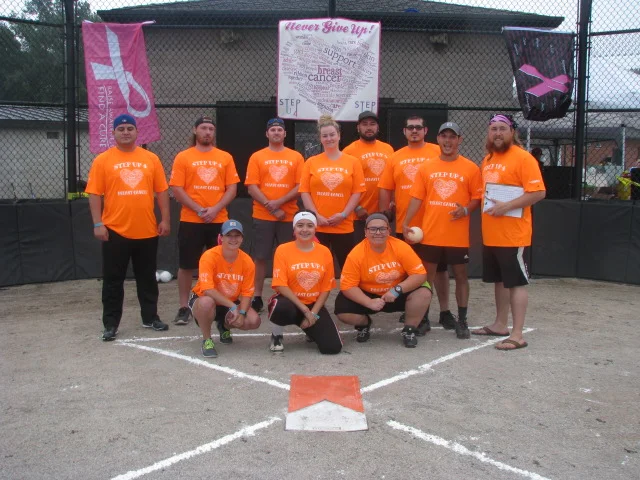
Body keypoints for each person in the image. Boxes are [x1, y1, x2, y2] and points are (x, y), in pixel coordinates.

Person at [86, 114, 171, 341]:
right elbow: (94, 193)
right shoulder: (103, 160)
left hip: (147, 230)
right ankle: (110, 324)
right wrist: (98, 223)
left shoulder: (151, 159)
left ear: (137, 132)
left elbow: (162, 191)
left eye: (130, 128)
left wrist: (165, 219)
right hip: (115, 230)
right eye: (121, 129)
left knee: (147, 278)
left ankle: (150, 317)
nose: (125, 132)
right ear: (113, 133)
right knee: (113, 280)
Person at [403, 122, 482, 339]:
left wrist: (465, 210)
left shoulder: (471, 168)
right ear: (438, 139)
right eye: (444, 136)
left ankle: (462, 320)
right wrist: (406, 221)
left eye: (452, 137)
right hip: (431, 233)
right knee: (426, 277)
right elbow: (416, 197)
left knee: (461, 276)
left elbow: (477, 198)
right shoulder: (426, 167)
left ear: (459, 140)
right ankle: (424, 319)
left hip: (457, 236)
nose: (448, 141)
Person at [474, 114, 546, 350]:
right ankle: (500, 324)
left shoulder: (523, 158)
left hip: (514, 235)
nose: (497, 133)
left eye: (502, 128)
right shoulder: (488, 159)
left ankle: (517, 334)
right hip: (492, 234)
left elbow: (538, 192)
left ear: (512, 132)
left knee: (516, 283)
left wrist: (506, 207)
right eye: (493, 129)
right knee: (499, 281)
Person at [378, 115, 453, 331]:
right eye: (410, 128)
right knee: (409, 271)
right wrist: (384, 215)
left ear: (425, 131)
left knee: (440, 271)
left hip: (434, 223)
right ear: (404, 131)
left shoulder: (437, 151)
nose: (414, 131)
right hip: (406, 224)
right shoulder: (395, 157)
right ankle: (415, 310)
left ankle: (445, 311)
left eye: (418, 128)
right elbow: (385, 188)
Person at [169, 116, 239, 326]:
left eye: (210, 129)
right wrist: (199, 209)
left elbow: (232, 188)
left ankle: (221, 305)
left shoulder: (225, 157)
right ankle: (184, 307)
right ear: (195, 130)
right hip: (191, 219)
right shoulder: (183, 157)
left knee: (221, 265)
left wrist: (215, 209)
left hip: (219, 220)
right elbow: (177, 188)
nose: (207, 132)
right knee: (186, 265)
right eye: (203, 128)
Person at [335, 213, 432, 348]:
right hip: (369, 293)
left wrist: (397, 290)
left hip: (396, 292)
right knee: (342, 311)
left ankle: (409, 330)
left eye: (382, 229)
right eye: (373, 229)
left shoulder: (401, 247)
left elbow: (420, 275)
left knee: (424, 292)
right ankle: (364, 324)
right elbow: (347, 286)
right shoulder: (356, 254)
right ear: (365, 232)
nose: (378, 233)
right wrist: (368, 302)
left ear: (389, 231)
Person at [245, 118, 304, 313]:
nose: (276, 132)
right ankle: (257, 296)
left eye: (279, 129)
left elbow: (300, 186)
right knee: (260, 257)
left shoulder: (296, 157)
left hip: (288, 216)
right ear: (267, 134)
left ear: (285, 134)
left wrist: (279, 203)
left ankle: (289, 294)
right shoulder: (257, 157)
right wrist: (271, 207)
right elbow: (252, 187)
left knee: (288, 257)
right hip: (263, 215)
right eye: (273, 130)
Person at [267, 211, 342, 354]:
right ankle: (276, 336)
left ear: (315, 229)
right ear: (294, 229)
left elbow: (326, 288)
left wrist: (314, 313)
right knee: (280, 307)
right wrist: (305, 311)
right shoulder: (283, 250)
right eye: (300, 225)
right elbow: (280, 284)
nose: (305, 229)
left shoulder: (324, 251)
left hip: (313, 304)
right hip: (291, 302)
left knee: (332, 348)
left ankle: (309, 329)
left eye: (309, 225)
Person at [299, 115, 366, 269]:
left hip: (343, 225)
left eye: (332, 134)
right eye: (325, 136)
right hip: (317, 225)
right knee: (316, 267)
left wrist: (343, 215)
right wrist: (316, 216)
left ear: (339, 135)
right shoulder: (311, 162)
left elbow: (357, 192)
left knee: (347, 267)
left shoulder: (353, 162)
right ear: (320, 138)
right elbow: (305, 192)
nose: (329, 139)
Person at [188, 219, 261, 358]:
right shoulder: (209, 256)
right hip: (204, 299)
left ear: (242, 238)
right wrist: (233, 307)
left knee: (253, 320)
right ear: (221, 238)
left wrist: (242, 313)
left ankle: (224, 326)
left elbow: (247, 293)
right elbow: (207, 289)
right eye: (229, 235)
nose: (233, 239)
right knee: (206, 302)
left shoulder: (247, 261)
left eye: (237, 235)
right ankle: (207, 340)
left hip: (229, 302)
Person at [343, 111, 394, 242]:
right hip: (359, 215)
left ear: (378, 127)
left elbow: (393, 179)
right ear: (358, 128)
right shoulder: (349, 151)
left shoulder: (388, 149)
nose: (369, 127)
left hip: (384, 214)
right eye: (364, 124)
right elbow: (344, 185)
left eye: (372, 124)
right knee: (360, 250)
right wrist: (357, 207)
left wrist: (391, 203)